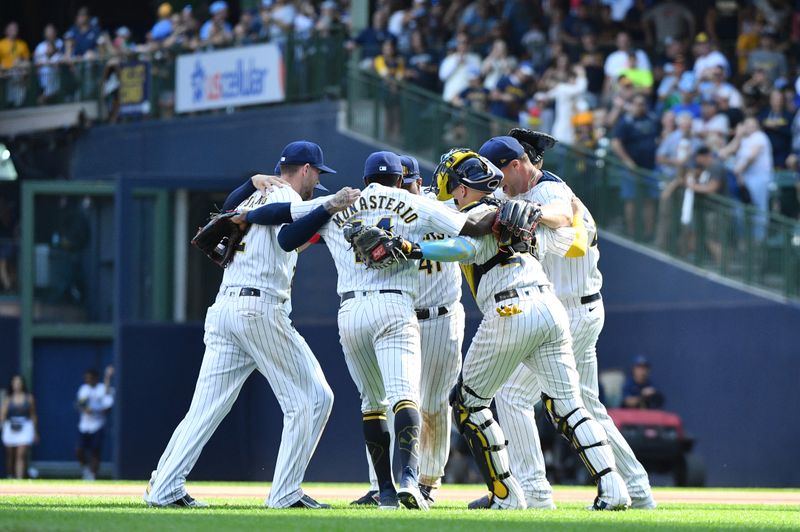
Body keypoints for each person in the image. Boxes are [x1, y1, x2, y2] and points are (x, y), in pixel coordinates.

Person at [242, 150, 498, 510]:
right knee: (405, 397)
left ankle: (386, 492)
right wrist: (501, 215)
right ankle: (410, 480)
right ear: (399, 179)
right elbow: (471, 228)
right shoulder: (411, 201)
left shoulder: (340, 201)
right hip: (394, 305)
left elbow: (281, 221)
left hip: (350, 311)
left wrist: (242, 215)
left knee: (371, 405)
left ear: (365, 179)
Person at [398, 149, 630, 510]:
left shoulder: (477, 212)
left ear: (461, 189)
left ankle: (507, 495)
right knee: (569, 407)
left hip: (509, 309)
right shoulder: (509, 205)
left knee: (467, 403)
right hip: (550, 307)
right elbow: (566, 232)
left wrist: (412, 248)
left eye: (451, 185)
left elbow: (461, 246)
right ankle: (613, 488)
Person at [144, 141, 357, 508]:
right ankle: (286, 493)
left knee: (205, 409)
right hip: (258, 310)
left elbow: (235, 211)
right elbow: (287, 230)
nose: (317, 182)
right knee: (314, 397)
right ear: (305, 169)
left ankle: (164, 487)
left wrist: (249, 182)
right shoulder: (285, 195)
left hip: (226, 308)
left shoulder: (253, 197)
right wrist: (327, 206)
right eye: (317, 174)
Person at [480, 134, 656, 510]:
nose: (497, 185)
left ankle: (531, 491)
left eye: (499, 174)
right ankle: (637, 488)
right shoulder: (524, 192)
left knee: (513, 393)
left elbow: (561, 217)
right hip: (578, 308)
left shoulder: (549, 191)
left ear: (520, 164)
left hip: (571, 311)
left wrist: (536, 215)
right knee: (587, 406)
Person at [350, 155, 466, 506]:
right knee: (387, 403)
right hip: (401, 314)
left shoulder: (434, 207)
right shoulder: (391, 211)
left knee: (433, 404)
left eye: (412, 180)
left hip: (441, 316)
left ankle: (428, 482)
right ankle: (379, 485)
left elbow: (465, 241)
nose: (409, 187)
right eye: (404, 181)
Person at [610, 93, 661, 240]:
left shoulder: (652, 119)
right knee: (631, 199)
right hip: (632, 168)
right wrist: (628, 161)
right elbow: (616, 143)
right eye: (637, 104)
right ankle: (632, 232)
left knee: (649, 200)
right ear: (632, 105)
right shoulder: (626, 122)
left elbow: (659, 135)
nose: (640, 107)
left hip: (650, 167)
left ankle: (648, 233)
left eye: (643, 104)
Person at [76, 366, 114, 481]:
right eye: (86, 378)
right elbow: (81, 403)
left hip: (97, 425)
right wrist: (84, 408)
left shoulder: (103, 388)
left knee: (95, 451)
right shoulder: (83, 389)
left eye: (90, 378)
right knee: (79, 450)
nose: (88, 381)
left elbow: (107, 405)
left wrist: (108, 377)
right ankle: (86, 469)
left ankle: (93, 475)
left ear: (96, 378)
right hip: (84, 425)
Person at [1, 375, 38, 479]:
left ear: (22, 384)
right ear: (12, 384)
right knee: (11, 455)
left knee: (20, 454)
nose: (17, 384)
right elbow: (3, 415)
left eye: (19, 382)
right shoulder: (8, 399)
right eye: (15, 382)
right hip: (10, 427)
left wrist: (35, 431)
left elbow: (33, 414)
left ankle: (19, 480)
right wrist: (3, 426)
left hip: (25, 427)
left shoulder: (29, 398)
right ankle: (10, 476)